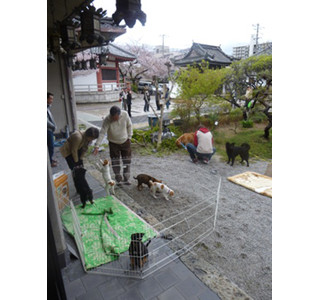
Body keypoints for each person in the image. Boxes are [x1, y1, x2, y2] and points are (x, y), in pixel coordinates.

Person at [93, 106, 133, 185]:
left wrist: (129, 136)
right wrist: (97, 145)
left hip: (125, 141)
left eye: (115, 117)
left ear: (119, 114)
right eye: (112, 117)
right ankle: (118, 180)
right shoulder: (108, 119)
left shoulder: (125, 114)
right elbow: (102, 132)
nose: (114, 119)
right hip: (113, 143)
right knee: (115, 162)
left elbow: (129, 125)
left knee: (127, 161)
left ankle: (126, 178)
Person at [47, 92, 57, 167]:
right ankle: (49, 162)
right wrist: (53, 126)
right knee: (51, 146)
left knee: (51, 146)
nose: (52, 100)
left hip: (50, 129)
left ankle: (49, 159)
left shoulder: (48, 107)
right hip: (48, 130)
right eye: (50, 98)